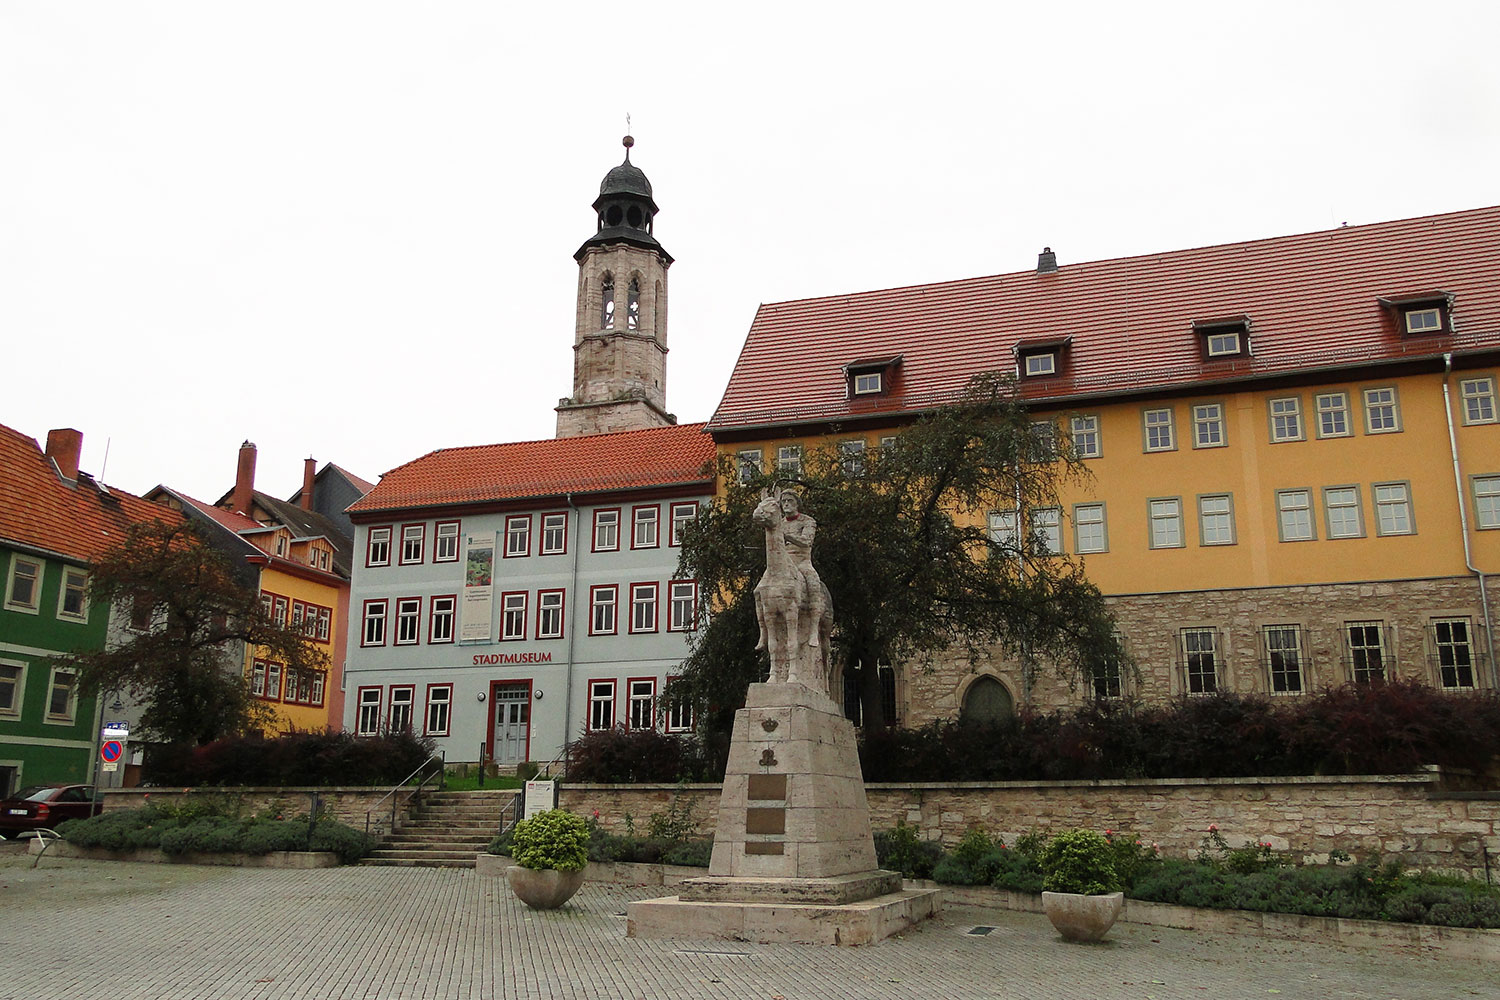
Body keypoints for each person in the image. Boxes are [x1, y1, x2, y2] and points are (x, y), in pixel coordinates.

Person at [779, 490, 824, 647]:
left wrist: (787, 536)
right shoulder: (780, 523)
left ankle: (813, 631)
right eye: (783, 501)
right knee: (760, 589)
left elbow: (806, 541)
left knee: (813, 584)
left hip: (802, 561)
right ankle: (765, 631)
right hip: (784, 562)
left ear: (797, 503)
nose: (786, 504)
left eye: (789, 501)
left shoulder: (807, 521)